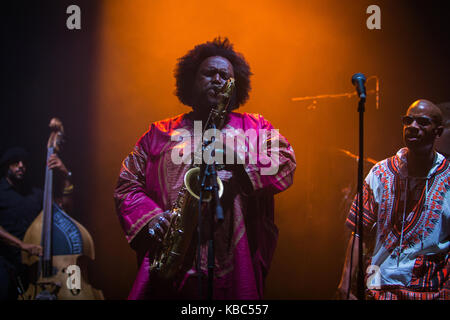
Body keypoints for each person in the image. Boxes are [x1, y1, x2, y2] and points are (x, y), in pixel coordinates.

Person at [114, 37, 296, 300]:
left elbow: (286, 163)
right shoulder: (157, 134)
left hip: (235, 261)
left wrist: (238, 161)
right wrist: (153, 218)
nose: (217, 79)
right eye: (209, 73)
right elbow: (127, 185)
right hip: (173, 257)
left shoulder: (257, 128)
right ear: (191, 80)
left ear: (235, 85)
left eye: (225, 75)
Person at [337, 99, 449, 300]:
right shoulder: (380, 173)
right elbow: (358, 233)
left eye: (422, 122)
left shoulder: (448, 178)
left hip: (432, 293)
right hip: (380, 291)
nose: (413, 127)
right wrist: (345, 284)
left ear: (438, 132)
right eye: (408, 121)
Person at [0, 146, 73, 300]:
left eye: (24, 163)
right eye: (16, 162)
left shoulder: (36, 194)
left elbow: (63, 208)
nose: (21, 165)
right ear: (7, 166)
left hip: (33, 266)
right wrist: (21, 245)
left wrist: (65, 174)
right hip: (5, 263)